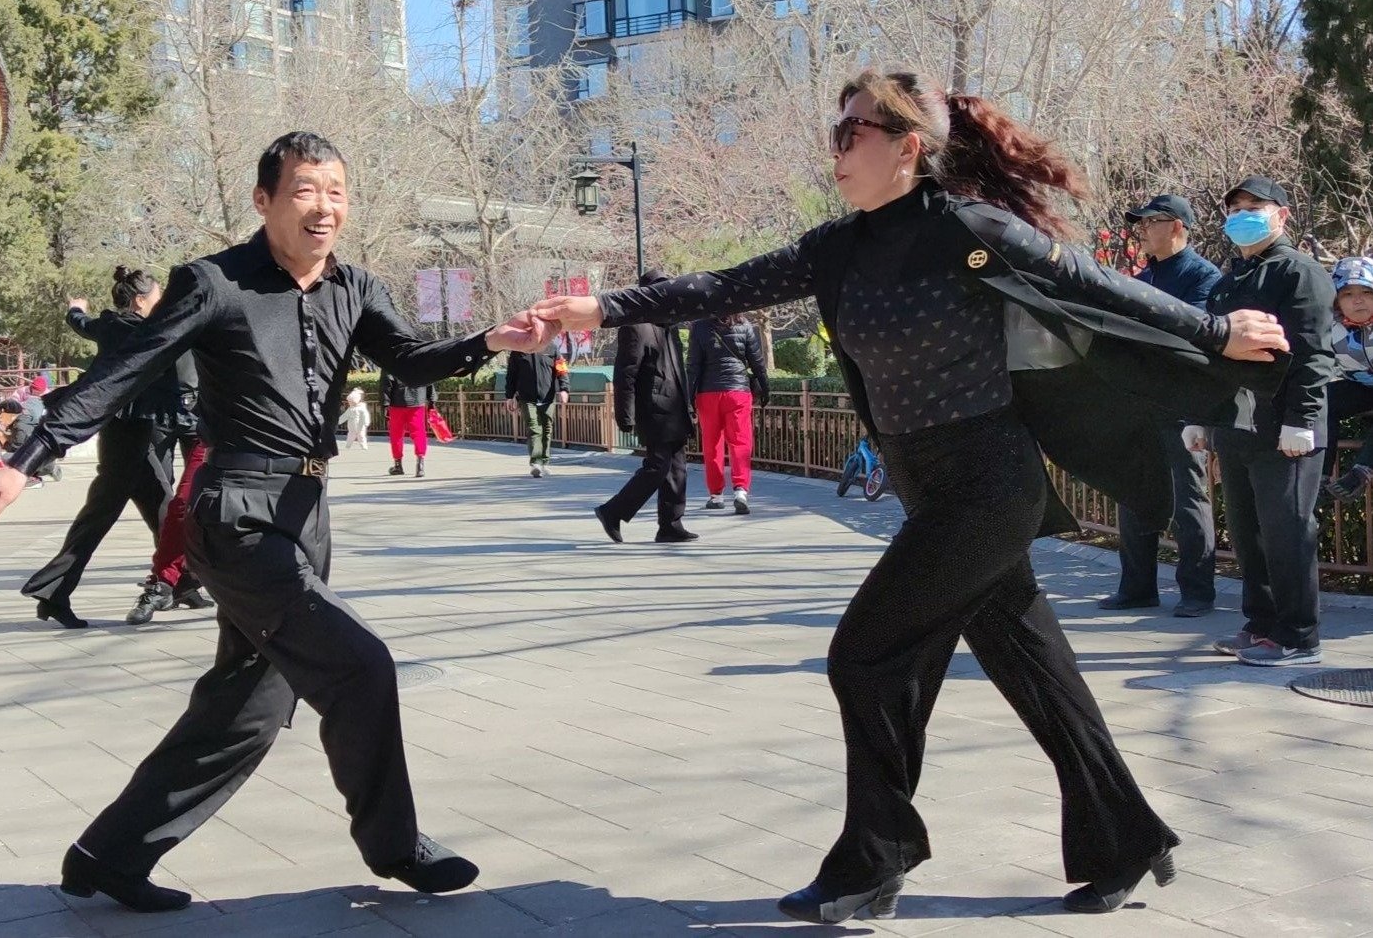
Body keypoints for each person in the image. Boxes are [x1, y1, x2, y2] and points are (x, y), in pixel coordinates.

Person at [532, 70, 1289, 922]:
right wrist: (597, 309)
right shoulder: (838, 246)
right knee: (1036, 668)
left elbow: (1092, 282)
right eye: (838, 129)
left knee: (865, 655)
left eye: (855, 130)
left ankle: (875, 858)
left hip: (988, 483)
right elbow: (716, 289)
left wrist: (1217, 329)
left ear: (907, 147)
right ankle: (1126, 838)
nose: (839, 145)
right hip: (929, 486)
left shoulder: (964, 227)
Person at [0, 132, 554, 913]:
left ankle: (107, 854)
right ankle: (393, 845)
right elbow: (125, 368)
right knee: (360, 666)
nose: (326, 208)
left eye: (338, 191)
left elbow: (410, 360)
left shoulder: (357, 287)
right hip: (236, 513)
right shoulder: (213, 283)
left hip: (306, 513)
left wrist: (488, 340)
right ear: (265, 200)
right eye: (307, 191)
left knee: (244, 709)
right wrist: (31, 452)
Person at [1193, 176, 1335, 667]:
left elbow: (1313, 354)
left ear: (1283, 214)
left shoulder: (1300, 272)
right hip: (1238, 424)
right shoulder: (1232, 277)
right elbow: (1213, 357)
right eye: (1235, 207)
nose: (1242, 214)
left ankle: (1298, 637)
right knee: (1250, 534)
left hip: (1285, 426)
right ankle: (1261, 626)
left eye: (1255, 206)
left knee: (1288, 532)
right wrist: (1203, 418)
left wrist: (1303, 421)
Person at [20, 269, 181, 628]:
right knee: (102, 513)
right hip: (127, 431)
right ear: (140, 300)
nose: (162, 302)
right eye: (157, 296)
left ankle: (182, 579)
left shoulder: (111, 326)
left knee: (166, 509)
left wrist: (75, 310)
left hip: (131, 428)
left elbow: (84, 324)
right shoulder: (141, 329)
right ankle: (53, 590)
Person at [1102, 194, 1221, 617]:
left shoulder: (1203, 276)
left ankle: (1197, 592)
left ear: (1176, 226)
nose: (1142, 230)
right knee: (1133, 492)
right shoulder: (1142, 277)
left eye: (1150, 222)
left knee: (1189, 495)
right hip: (1139, 400)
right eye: (1141, 223)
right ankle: (1137, 588)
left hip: (1182, 403)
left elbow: (1196, 335)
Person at [593, 270, 697, 544]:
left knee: (677, 469)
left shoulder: (669, 326)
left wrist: (688, 406)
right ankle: (612, 511)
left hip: (674, 409)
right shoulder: (636, 326)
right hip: (653, 409)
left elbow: (678, 372)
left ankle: (670, 525)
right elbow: (625, 373)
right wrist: (624, 414)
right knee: (657, 467)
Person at [126, 343, 210, 626]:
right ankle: (165, 582)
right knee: (178, 504)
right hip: (170, 414)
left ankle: (183, 580)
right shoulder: (170, 316)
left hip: (222, 424)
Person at [688, 313, 769, 514]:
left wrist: (688, 397)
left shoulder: (699, 327)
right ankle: (741, 490)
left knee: (712, 444)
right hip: (738, 391)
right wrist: (765, 388)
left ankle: (716, 495)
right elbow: (757, 361)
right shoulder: (745, 325)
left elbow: (693, 366)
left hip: (708, 393)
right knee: (740, 442)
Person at [1322, 256, 1373, 501]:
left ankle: (1361, 472)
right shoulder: (1327, 326)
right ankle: (1320, 477)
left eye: (1366, 291)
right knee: (1322, 399)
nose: (1358, 300)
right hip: (1361, 387)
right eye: (1348, 294)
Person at [504, 343, 569, 477]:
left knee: (546, 428)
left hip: (548, 396)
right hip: (526, 397)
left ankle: (544, 461)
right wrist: (509, 396)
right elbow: (511, 374)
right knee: (534, 427)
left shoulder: (552, 348)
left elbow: (562, 370)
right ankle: (536, 463)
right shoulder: (518, 350)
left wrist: (564, 389)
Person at [380, 371, 433, 477]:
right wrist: (431, 400)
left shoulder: (390, 360)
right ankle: (420, 464)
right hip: (417, 402)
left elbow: (386, 384)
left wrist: (385, 404)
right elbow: (429, 378)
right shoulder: (420, 360)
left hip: (397, 402)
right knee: (419, 433)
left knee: (396, 434)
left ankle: (398, 465)